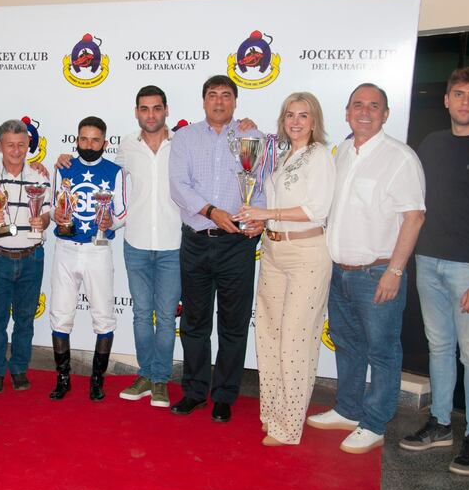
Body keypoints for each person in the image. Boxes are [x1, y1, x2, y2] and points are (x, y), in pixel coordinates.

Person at [307, 83, 425, 454]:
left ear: (385, 114)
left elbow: (415, 217)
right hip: (339, 271)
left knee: (383, 351)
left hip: (377, 273)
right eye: (357, 105)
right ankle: (348, 408)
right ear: (346, 111)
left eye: (374, 106)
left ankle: (374, 423)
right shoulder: (340, 152)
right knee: (348, 344)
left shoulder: (400, 158)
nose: (364, 112)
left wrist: (395, 271)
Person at [398, 67, 469, 476]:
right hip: (429, 261)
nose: (464, 102)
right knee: (439, 347)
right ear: (446, 100)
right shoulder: (431, 144)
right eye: (457, 93)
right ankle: (440, 424)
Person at [168, 75, 265, 423]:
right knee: (194, 322)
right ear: (203, 101)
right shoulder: (185, 138)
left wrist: (260, 220)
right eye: (213, 95)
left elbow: (262, 187)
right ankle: (194, 391)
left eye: (226, 95)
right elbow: (178, 186)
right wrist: (212, 211)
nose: (219, 101)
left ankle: (224, 395)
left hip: (238, 245)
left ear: (235, 101)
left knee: (234, 324)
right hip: (196, 241)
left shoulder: (252, 137)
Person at [240, 92, 334, 444]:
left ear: (315, 121)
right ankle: (273, 412)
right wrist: (259, 223)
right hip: (274, 251)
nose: (295, 121)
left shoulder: (320, 156)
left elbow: (316, 210)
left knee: (295, 341)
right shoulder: (282, 157)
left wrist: (266, 214)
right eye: (290, 115)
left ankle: (289, 426)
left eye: (303, 115)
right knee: (269, 337)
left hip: (307, 253)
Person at [109, 85, 181, 408]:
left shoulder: (182, 145)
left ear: (166, 110)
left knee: (166, 318)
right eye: (144, 109)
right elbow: (104, 180)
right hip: (135, 243)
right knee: (141, 314)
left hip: (173, 245)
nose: (150, 115)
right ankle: (145, 374)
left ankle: (161, 379)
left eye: (156, 108)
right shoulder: (125, 147)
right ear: (136, 112)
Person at [48, 116, 127, 402]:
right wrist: (56, 215)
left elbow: (122, 213)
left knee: (104, 317)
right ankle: (63, 378)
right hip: (66, 248)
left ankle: (97, 380)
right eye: (83, 139)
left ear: (105, 143)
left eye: (95, 140)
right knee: (60, 313)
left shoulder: (116, 171)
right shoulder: (63, 167)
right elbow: (53, 205)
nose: (88, 145)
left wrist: (110, 221)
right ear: (76, 140)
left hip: (98, 249)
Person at [0, 119, 51, 393]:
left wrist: (42, 220)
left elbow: (47, 214)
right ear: (0, 145)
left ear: (29, 144)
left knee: (25, 320)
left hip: (32, 257)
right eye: (10, 145)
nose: (16, 150)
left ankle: (19, 368)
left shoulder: (40, 177)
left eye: (21, 145)